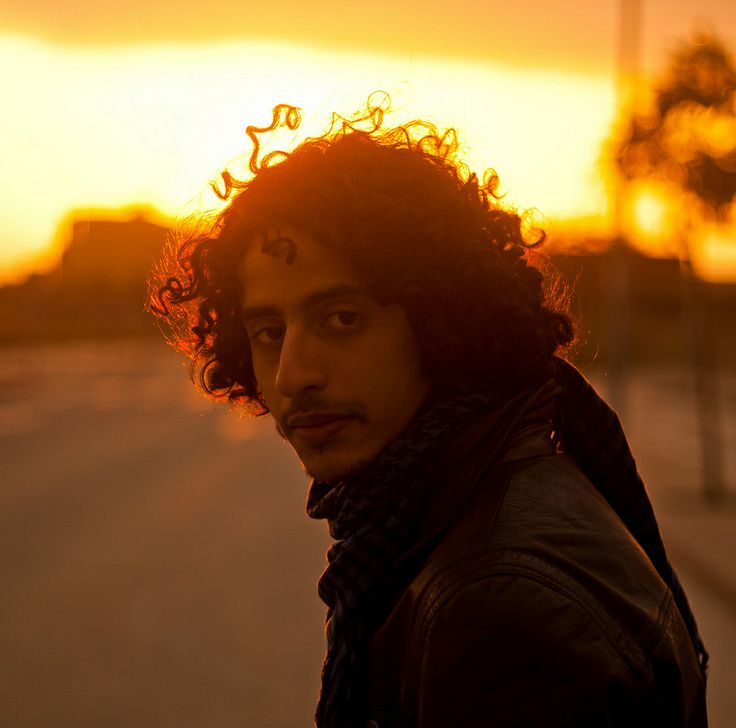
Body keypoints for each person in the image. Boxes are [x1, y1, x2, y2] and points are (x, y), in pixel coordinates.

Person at [150, 97, 709, 727]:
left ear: (442, 323)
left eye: (342, 319)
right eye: (269, 331)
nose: (293, 375)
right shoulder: (479, 491)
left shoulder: (498, 612)